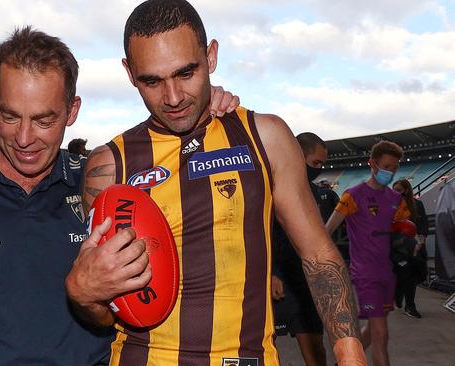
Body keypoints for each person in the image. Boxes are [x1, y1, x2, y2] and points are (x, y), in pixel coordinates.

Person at [0, 25, 240, 365]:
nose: (23, 138)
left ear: (72, 111)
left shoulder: (99, 186)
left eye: (44, 120)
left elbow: (177, 176)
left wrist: (205, 114)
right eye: (9, 115)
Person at [66, 1, 365, 365]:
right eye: (152, 81)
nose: (173, 97)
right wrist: (86, 296)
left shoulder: (265, 137)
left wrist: (349, 351)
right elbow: (107, 313)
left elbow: (318, 255)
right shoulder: (108, 167)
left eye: (186, 73)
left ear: (211, 57)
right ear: (129, 73)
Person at [326, 140, 410, 366]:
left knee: (373, 330)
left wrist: (407, 238)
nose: (390, 172)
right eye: (386, 167)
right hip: (365, 275)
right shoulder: (352, 195)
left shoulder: (396, 199)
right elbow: (328, 230)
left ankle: (343, 362)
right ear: (372, 164)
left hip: (388, 274)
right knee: (382, 335)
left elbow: (404, 231)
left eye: (394, 168)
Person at [272, 133, 331, 366]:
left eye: (323, 164)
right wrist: (272, 272)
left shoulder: (317, 194)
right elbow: (260, 234)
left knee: (316, 353)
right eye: (316, 163)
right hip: (277, 285)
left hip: (307, 284)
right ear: (297, 155)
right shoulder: (269, 188)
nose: (319, 169)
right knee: (266, 351)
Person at [392, 179, 428, 318]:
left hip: (414, 246)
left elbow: (423, 225)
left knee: (413, 276)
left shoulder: (417, 205)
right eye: (393, 190)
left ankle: (410, 305)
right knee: (401, 275)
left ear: (406, 190)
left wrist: (420, 241)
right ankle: (398, 292)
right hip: (397, 247)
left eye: (398, 190)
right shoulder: (390, 207)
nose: (395, 193)